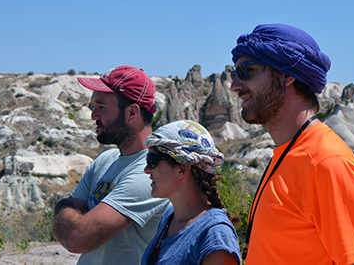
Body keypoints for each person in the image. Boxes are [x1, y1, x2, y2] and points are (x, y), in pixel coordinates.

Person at [230, 24, 354, 265]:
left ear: (287, 74)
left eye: (246, 71)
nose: (235, 86)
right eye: (233, 74)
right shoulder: (289, 153)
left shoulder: (327, 165)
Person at [52, 65, 170, 265]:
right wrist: (71, 215)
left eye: (102, 107)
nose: (93, 115)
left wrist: (62, 207)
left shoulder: (150, 172)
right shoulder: (106, 160)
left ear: (132, 112)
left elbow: (76, 238)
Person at [141, 120, 240, 265]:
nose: (146, 170)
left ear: (182, 168)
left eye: (152, 161)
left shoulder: (215, 234)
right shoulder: (169, 217)